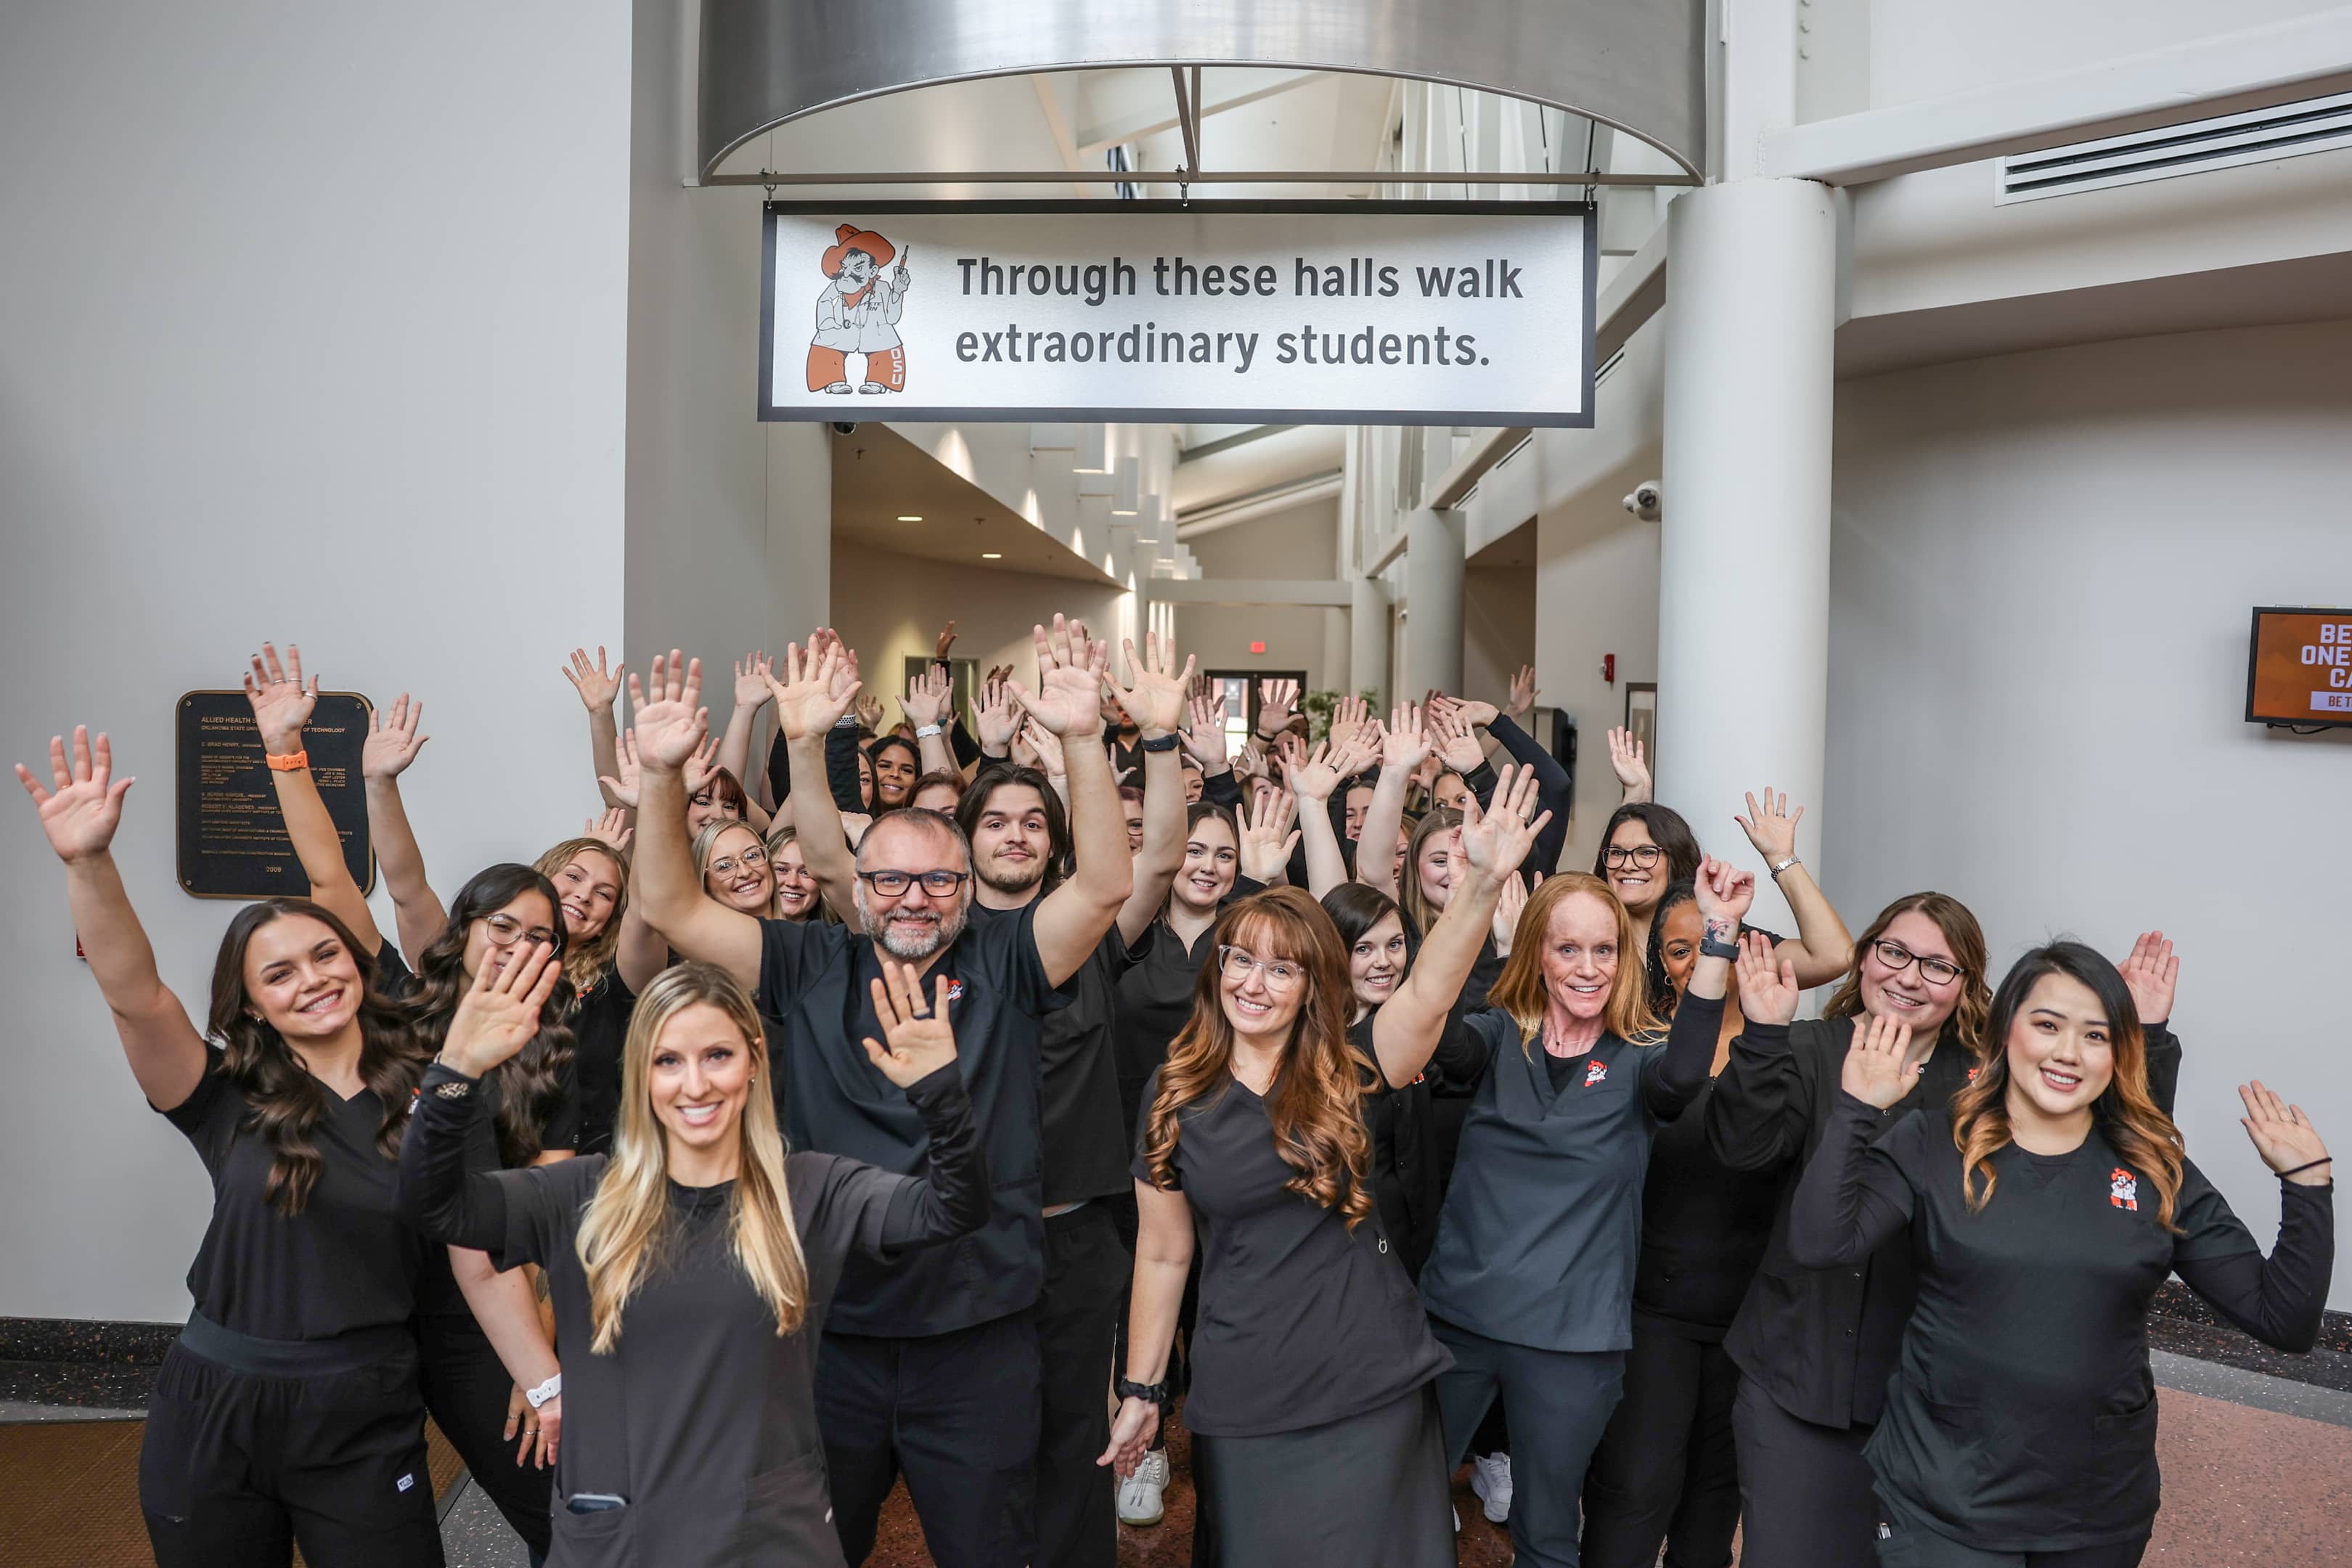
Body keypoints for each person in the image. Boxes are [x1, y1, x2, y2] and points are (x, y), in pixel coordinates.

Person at [629, 622, 1131, 1568]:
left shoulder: (1009, 960)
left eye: (937, 880)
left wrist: (1082, 739)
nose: (912, 897)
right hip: (829, 1335)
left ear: (968, 890)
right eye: (890, 878)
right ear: (856, 890)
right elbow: (672, 907)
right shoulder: (809, 961)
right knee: (805, 1554)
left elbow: (1104, 884)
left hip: (979, 1337)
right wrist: (660, 777)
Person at [403, 948, 990, 1566]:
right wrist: (455, 1072)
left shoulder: (811, 1190)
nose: (695, 1084)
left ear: (754, 1061)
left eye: (717, 1055)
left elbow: (952, 1209)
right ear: (641, 1072)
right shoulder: (577, 1195)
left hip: (767, 1537)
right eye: (668, 1061)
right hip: (619, 1537)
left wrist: (941, 1093)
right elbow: (434, 1205)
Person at [17, 725, 445, 1566]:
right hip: (213, 1399)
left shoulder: (429, 1086)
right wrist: (88, 864)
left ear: (356, 963)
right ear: (250, 1005)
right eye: (278, 973)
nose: (313, 979)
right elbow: (135, 995)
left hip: (362, 1401)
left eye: (326, 954)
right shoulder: (222, 1093)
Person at [1104, 768, 1542, 1567]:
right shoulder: (1173, 1095)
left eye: (1281, 969)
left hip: (1371, 1379)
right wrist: (1140, 1389)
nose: (1253, 983)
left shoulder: (1353, 1068)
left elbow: (1430, 995)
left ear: (1313, 986)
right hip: (1247, 1385)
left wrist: (1481, 883)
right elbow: (1163, 1255)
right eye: (1239, 960)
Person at [1781, 939, 2332, 1567]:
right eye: (2047, 1025)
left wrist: (2308, 1184)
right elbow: (1820, 1244)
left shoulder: (2154, 1169)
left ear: (2119, 1053)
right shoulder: (1932, 1142)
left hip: (2096, 1507)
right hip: (1945, 1496)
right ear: (2005, 1031)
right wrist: (1856, 1108)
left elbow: (2285, 1322)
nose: (2068, 1052)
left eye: (2096, 1036)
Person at [1706, 901, 2186, 1568]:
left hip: (1941, 1412)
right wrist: (1762, 1036)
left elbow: (2111, 1150)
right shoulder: (1810, 1049)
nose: (1909, 976)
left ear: (1966, 984)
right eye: (1894, 952)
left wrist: (2145, 1035)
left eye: (1938, 966)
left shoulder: (1990, 1081)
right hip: (1799, 1378)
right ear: (1865, 957)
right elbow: (1742, 1153)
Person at [246, 646, 565, 1560]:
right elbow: (335, 883)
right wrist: (288, 754)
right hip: (367, 1309)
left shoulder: (553, 1049)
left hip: (475, 1318)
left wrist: (537, 1357)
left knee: (559, 1509)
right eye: (503, 926)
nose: (517, 946)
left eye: (540, 937)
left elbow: (544, 1218)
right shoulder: (395, 999)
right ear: (467, 931)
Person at [1416, 861, 1744, 1568]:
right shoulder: (1499, 1035)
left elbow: (1687, 1073)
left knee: (1546, 1529)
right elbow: (1434, 1029)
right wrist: (1474, 899)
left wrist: (1719, 934)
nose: (1589, 968)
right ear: (1537, 952)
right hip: (1460, 1322)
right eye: (1569, 948)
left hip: (1572, 1341)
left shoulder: (1643, 1058)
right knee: (1403, 1505)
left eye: (1605, 950)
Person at [1578, 879, 1779, 1568]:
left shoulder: (1784, 1052)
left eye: (1715, 942)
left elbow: (1835, 953)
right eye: (1679, 949)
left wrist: (1779, 863)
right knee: (1633, 1488)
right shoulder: (1641, 1049)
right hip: (1653, 1309)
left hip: (1746, 1315)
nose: (1698, 960)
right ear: (1660, 963)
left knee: (1714, 1501)